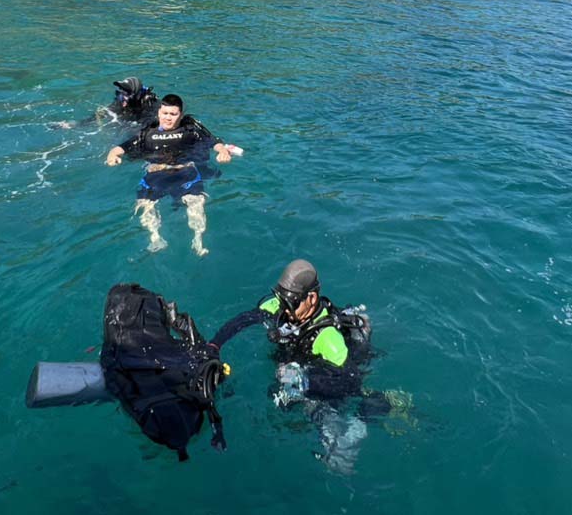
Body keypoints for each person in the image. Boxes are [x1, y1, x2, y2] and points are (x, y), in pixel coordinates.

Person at [209, 259, 385, 473]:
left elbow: (351, 381)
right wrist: (214, 345)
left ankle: (359, 426)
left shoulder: (328, 339)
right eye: (281, 300)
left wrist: (306, 381)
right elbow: (243, 320)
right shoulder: (281, 306)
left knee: (320, 414)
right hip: (295, 369)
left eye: (290, 303)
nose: (284, 309)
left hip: (324, 377)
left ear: (311, 298)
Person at [105, 94, 236, 256]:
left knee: (196, 202)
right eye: (165, 113)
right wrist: (112, 156)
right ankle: (155, 238)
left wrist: (223, 152)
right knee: (145, 204)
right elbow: (121, 148)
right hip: (155, 177)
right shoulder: (147, 134)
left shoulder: (190, 131)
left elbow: (214, 142)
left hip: (185, 175)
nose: (168, 118)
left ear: (180, 115)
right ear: (159, 113)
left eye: (173, 114)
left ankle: (198, 240)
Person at [55, 77, 160, 130]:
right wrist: (75, 124)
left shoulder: (151, 106)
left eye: (126, 92)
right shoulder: (121, 102)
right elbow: (103, 113)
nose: (123, 96)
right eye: (121, 91)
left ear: (136, 94)